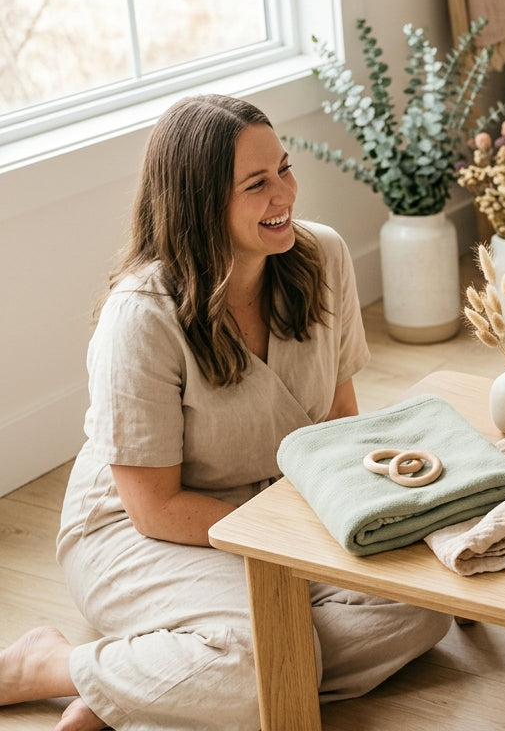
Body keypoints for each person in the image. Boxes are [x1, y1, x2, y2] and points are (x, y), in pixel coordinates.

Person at [0, 95, 453, 731]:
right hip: (138, 531)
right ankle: (52, 665)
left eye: (285, 169)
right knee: (253, 666)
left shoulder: (322, 257)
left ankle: (149, 682)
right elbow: (154, 506)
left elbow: (341, 421)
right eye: (257, 184)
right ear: (200, 202)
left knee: (421, 610)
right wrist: (299, 539)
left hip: (274, 505)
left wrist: (369, 518)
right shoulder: (141, 317)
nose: (286, 194)